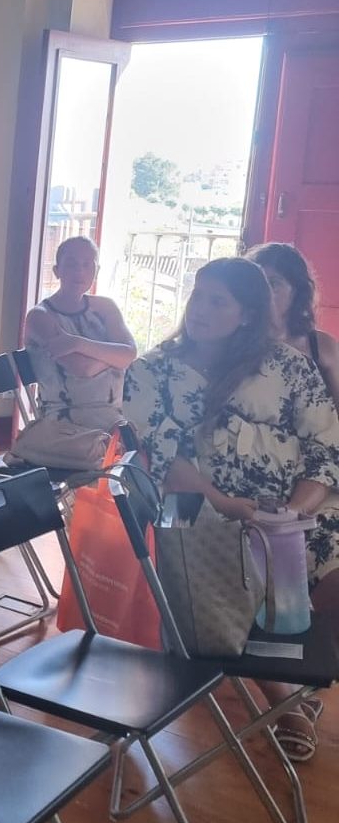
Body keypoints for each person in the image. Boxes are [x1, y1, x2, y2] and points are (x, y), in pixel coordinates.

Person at [124, 257, 339, 760]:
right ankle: (283, 697)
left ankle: (296, 663)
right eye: (197, 296)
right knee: (229, 571)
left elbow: (326, 443)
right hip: (195, 505)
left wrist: (293, 512)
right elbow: (163, 458)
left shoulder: (288, 366)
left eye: (217, 301)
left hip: (293, 508)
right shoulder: (152, 372)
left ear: (247, 314)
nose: (199, 309)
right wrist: (225, 504)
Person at [13, 235, 137, 469]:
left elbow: (130, 353)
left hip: (113, 415)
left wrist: (78, 343)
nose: (79, 271)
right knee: (134, 450)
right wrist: (113, 356)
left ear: (96, 270)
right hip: (66, 423)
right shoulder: (40, 316)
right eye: (71, 264)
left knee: (156, 441)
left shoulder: (105, 307)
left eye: (87, 264)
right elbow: (83, 368)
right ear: (57, 270)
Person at [247, 242, 339, 402]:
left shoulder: (322, 346)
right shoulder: (235, 340)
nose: (264, 293)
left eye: (273, 284)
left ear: (296, 291)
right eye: (258, 284)